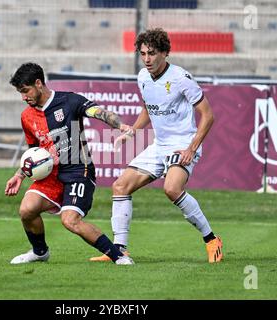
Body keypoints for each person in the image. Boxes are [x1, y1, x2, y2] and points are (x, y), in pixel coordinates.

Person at [90, 28, 223, 263]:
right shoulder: (143, 77)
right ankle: (119, 250)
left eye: (151, 53)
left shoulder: (181, 78)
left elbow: (208, 115)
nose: (147, 59)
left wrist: (191, 148)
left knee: (171, 189)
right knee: (120, 186)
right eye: (143, 54)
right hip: (159, 145)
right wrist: (133, 131)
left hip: (182, 144)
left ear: (164, 53)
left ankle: (211, 239)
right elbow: (149, 108)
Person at [5, 62, 134, 265]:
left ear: (39, 83)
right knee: (26, 210)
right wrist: (19, 175)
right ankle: (40, 252)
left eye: (25, 90)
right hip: (51, 175)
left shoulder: (70, 101)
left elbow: (98, 112)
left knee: (70, 220)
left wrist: (121, 125)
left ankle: (118, 256)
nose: (23, 97)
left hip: (78, 170)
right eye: (20, 93)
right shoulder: (27, 116)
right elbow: (34, 152)